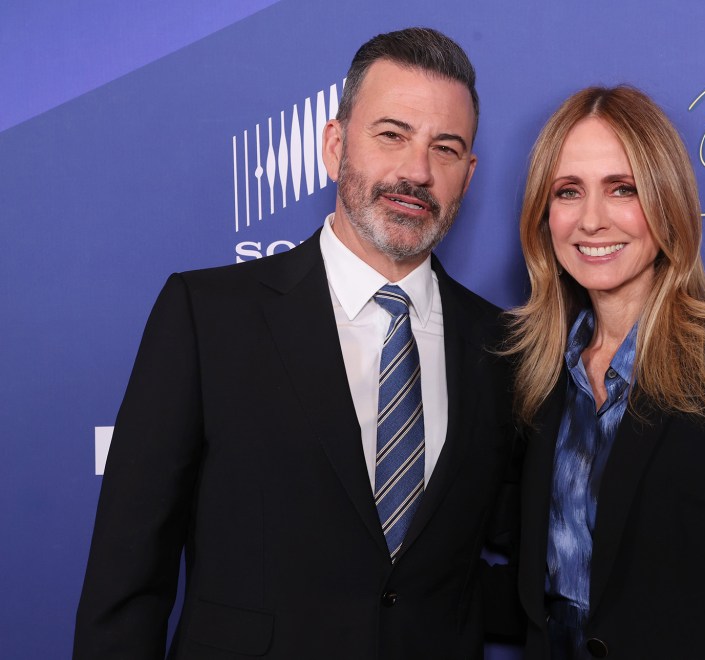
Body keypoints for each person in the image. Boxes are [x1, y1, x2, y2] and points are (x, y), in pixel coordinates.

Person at [74, 27, 519, 660]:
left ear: (467, 176)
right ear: (335, 146)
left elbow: (519, 558)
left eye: (444, 148)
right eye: (391, 135)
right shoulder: (208, 316)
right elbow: (127, 579)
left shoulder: (501, 346)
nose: (416, 172)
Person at [505, 86, 705, 659]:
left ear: (667, 203)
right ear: (544, 217)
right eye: (568, 191)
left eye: (622, 189)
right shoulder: (533, 377)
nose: (591, 220)